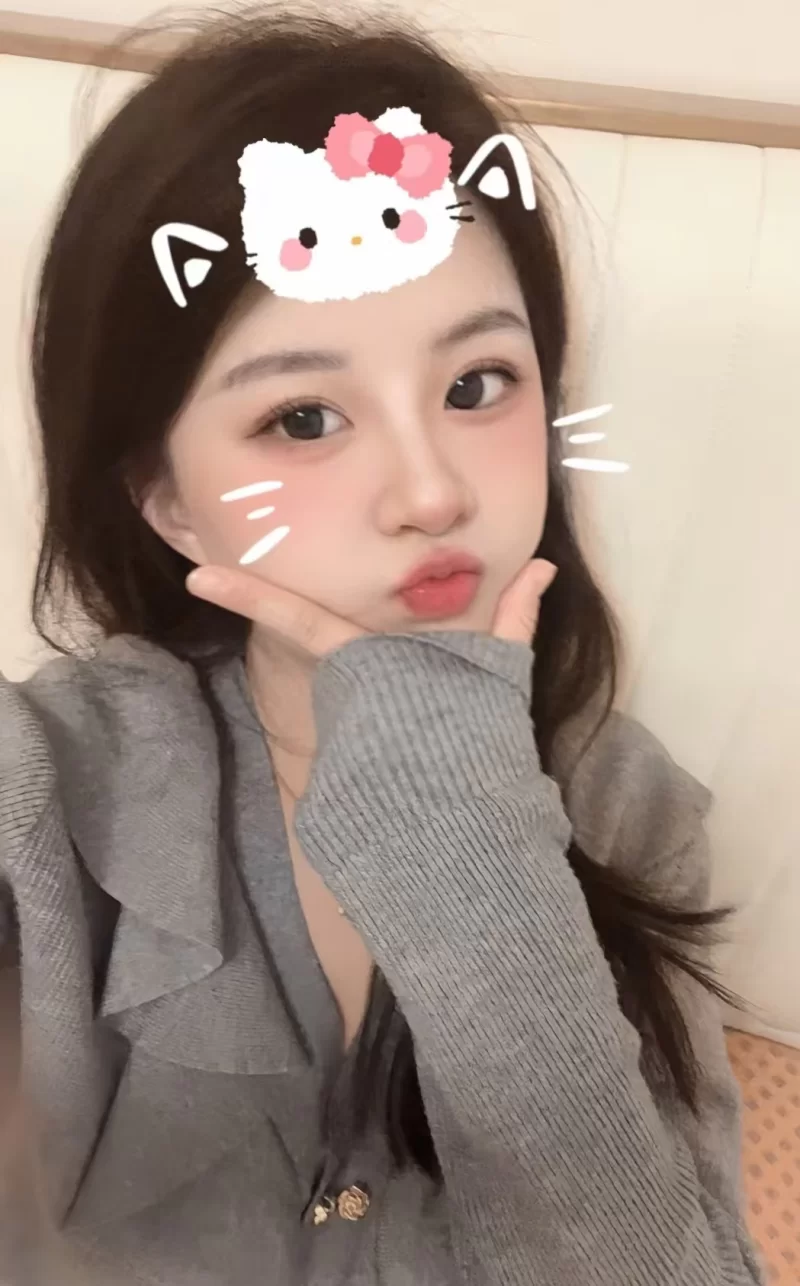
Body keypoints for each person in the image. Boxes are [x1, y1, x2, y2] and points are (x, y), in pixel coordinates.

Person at [0, 6, 766, 1284]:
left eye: (476, 386)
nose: (430, 491)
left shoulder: (628, 803)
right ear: (164, 495)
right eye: (304, 417)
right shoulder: (50, 783)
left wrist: (467, 852)